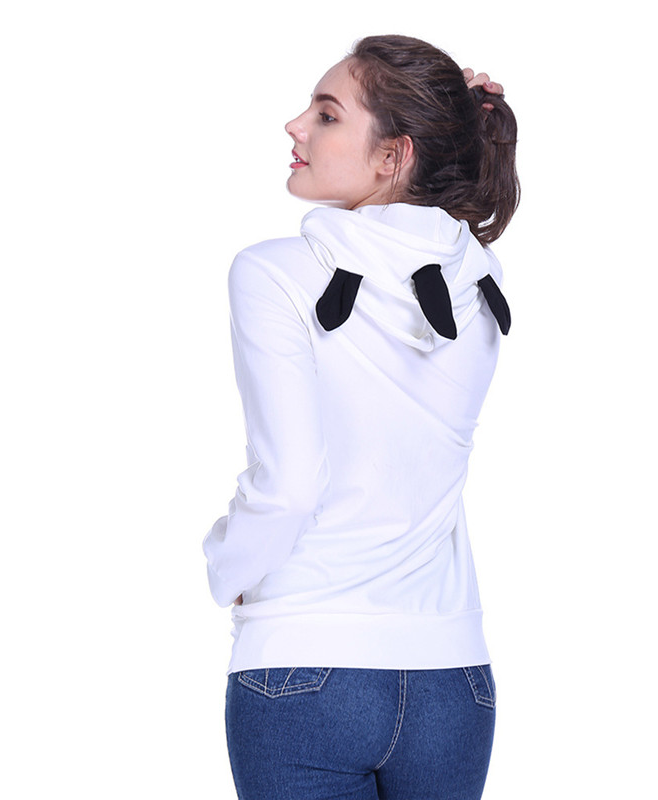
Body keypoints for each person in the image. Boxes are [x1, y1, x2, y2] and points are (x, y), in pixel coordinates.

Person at [203, 34, 519, 800]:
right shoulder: (482, 283)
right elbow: (437, 221)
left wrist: (226, 568)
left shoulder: (274, 274)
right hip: (453, 680)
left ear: (392, 156)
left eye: (327, 114)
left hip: (303, 668)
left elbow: (287, 487)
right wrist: (454, 120)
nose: (295, 127)